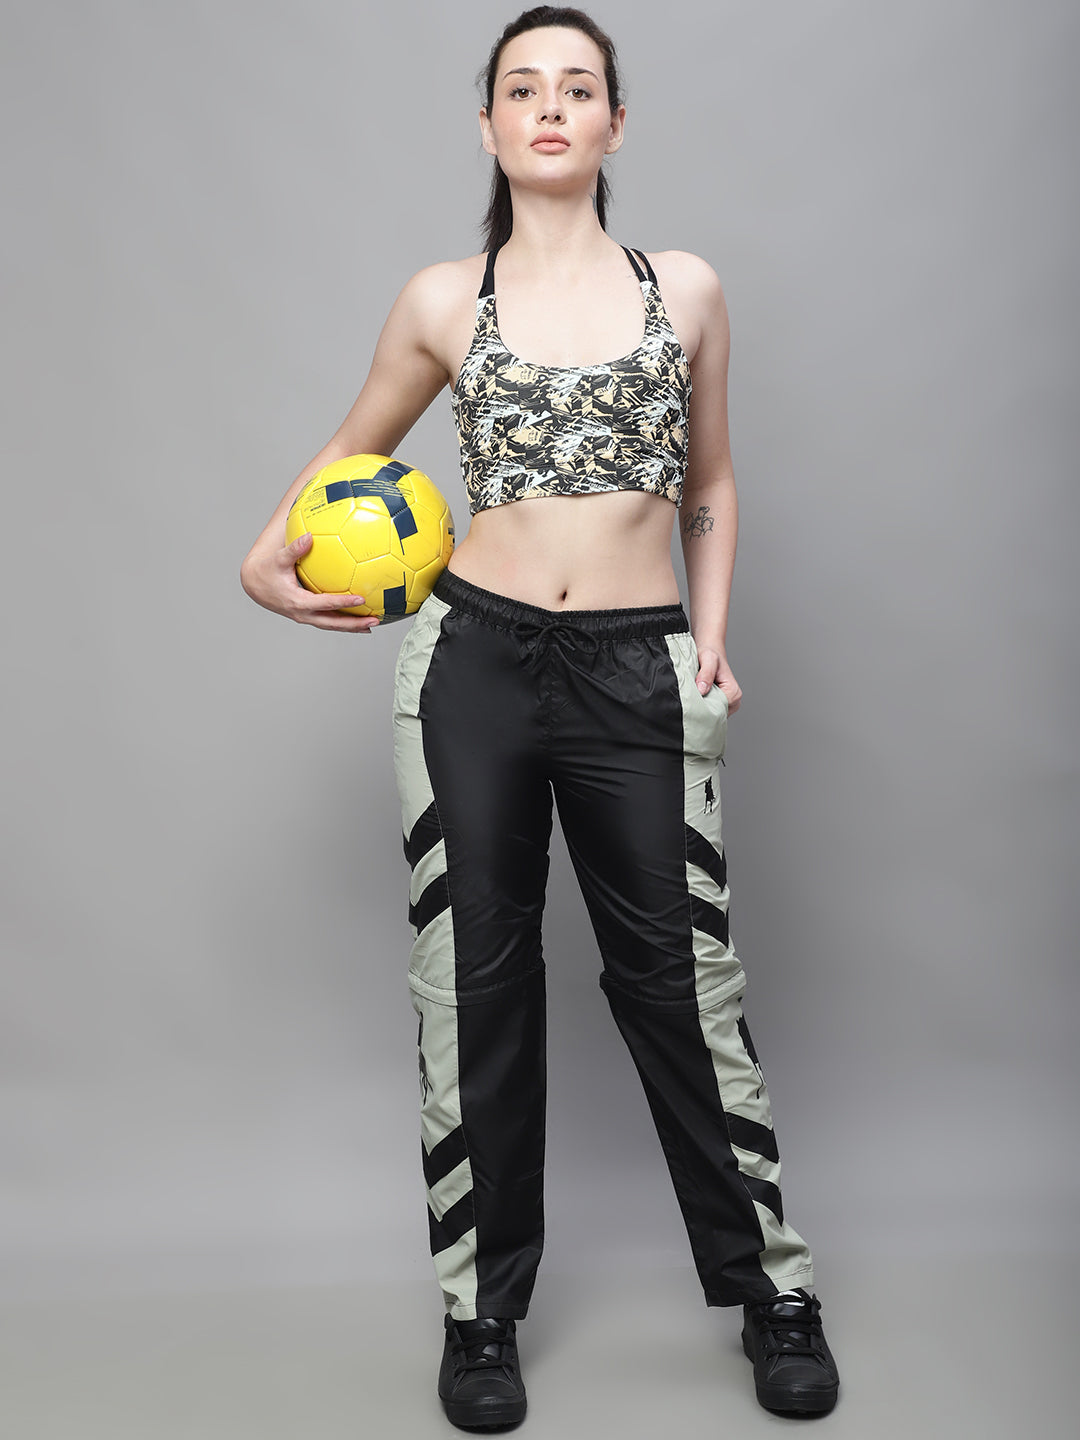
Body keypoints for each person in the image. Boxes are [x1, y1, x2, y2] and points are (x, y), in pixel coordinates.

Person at [241, 5, 841, 1428]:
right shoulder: (444, 300)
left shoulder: (684, 287)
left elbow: (712, 480)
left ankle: (774, 1292)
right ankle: (480, 1315)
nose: (552, 107)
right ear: (490, 125)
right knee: (475, 988)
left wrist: (709, 637)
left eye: (580, 87)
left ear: (617, 123)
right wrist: (263, 561)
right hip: (475, 667)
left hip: (639, 667)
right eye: (525, 88)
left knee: (681, 986)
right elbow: (347, 458)